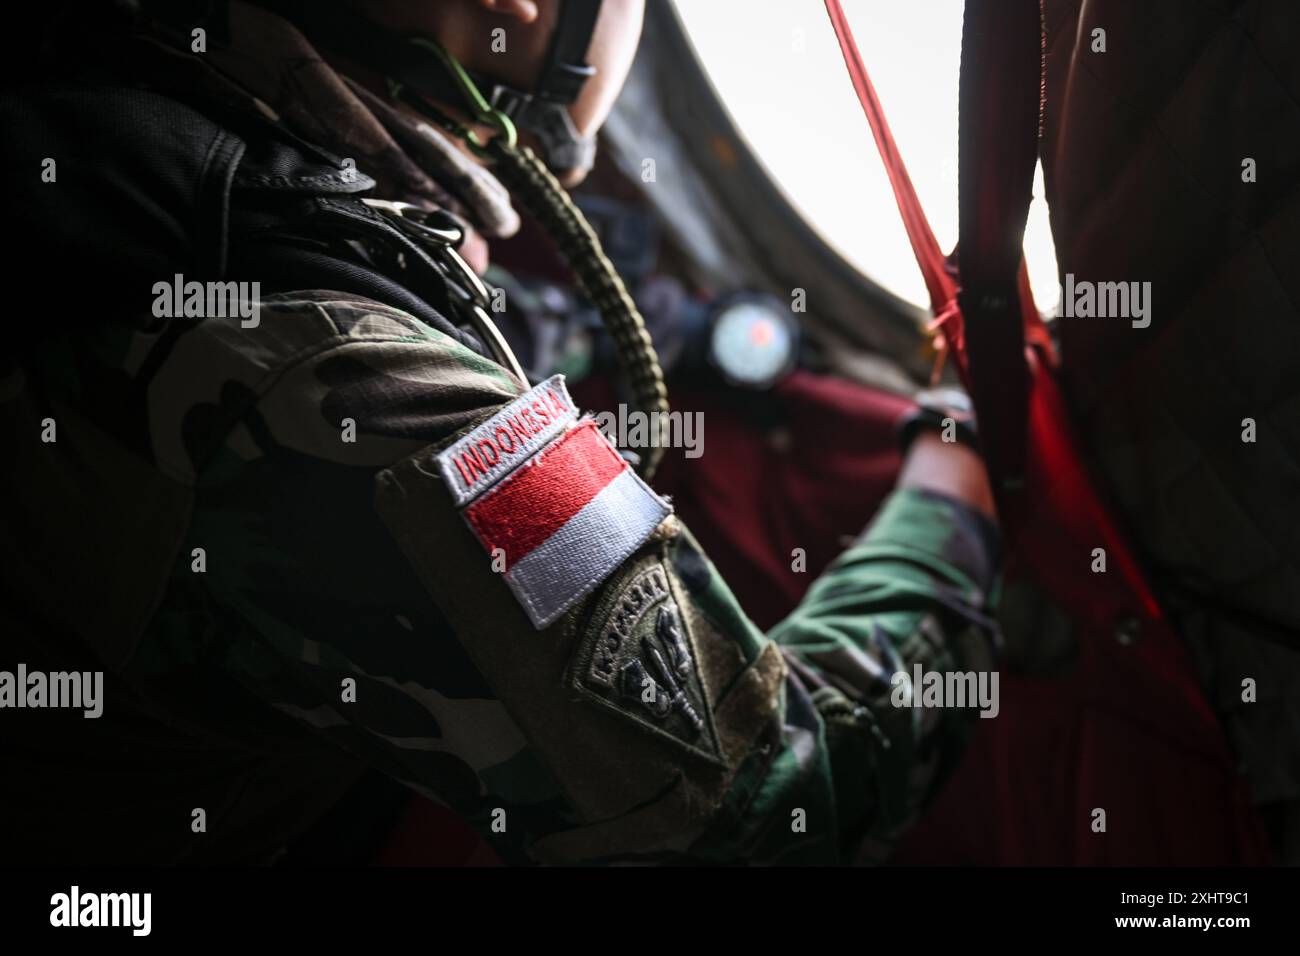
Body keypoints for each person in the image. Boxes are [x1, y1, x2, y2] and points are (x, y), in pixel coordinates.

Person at [0, 0, 1000, 864]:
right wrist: (953, 496)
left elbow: (453, 297)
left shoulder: (150, 103)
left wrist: (682, 327)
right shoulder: (355, 387)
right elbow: (770, 805)